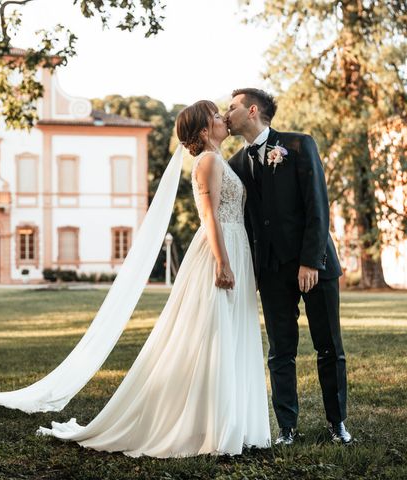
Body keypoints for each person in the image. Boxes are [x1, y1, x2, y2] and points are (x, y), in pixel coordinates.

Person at [36, 100, 271, 457]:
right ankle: (215, 426)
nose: (224, 118)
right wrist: (223, 262)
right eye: (216, 116)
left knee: (229, 333)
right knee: (215, 334)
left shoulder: (218, 159)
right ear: (206, 131)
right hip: (219, 249)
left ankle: (230, 422)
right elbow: (209, 216)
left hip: (235, 246)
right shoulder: (207, 161)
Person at [225, 88, 352, 446]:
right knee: (281, 351)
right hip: (271, 271)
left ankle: (337, 422)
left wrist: (310, 261)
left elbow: (318, 205)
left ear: (252, 111)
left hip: (316, 265)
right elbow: (246, 223)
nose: (226, 113)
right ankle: (287, 428)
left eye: (231, 107)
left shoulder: (297, 146)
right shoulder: (235, 164)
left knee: (329, 346)